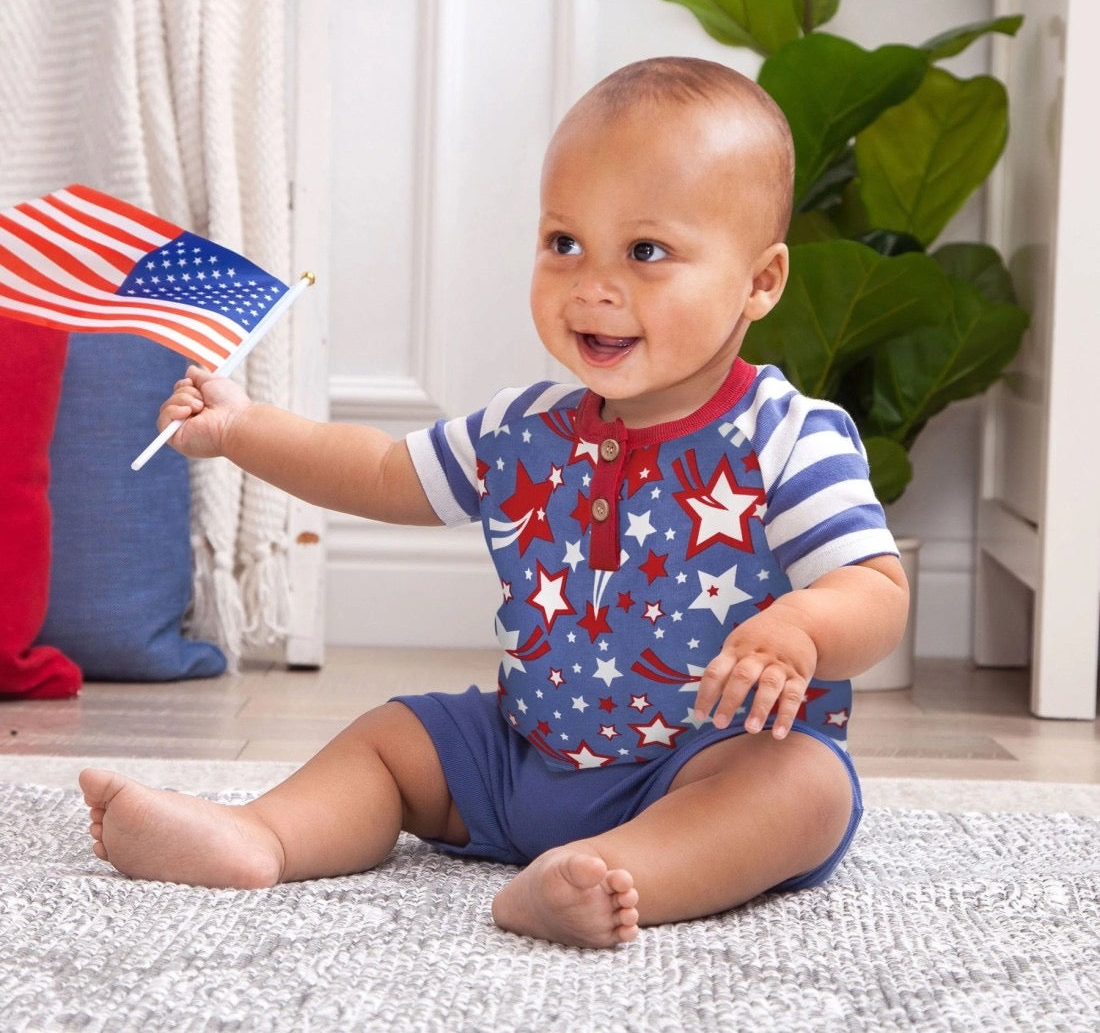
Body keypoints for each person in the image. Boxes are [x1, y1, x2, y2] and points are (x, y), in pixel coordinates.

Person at [80, 56, 909, 949]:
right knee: (396, 737)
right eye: (564, 243)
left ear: (761, 280)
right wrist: (243, 428)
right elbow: (381, 471)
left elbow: (875, 588)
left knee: (806, 789)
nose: (593, 284)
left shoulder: (788, 435)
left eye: (646, 252)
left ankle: (614, 875)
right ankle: (262, 836)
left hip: (700, 768)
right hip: (519, 756)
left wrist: (803, 630)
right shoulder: (526, 427)